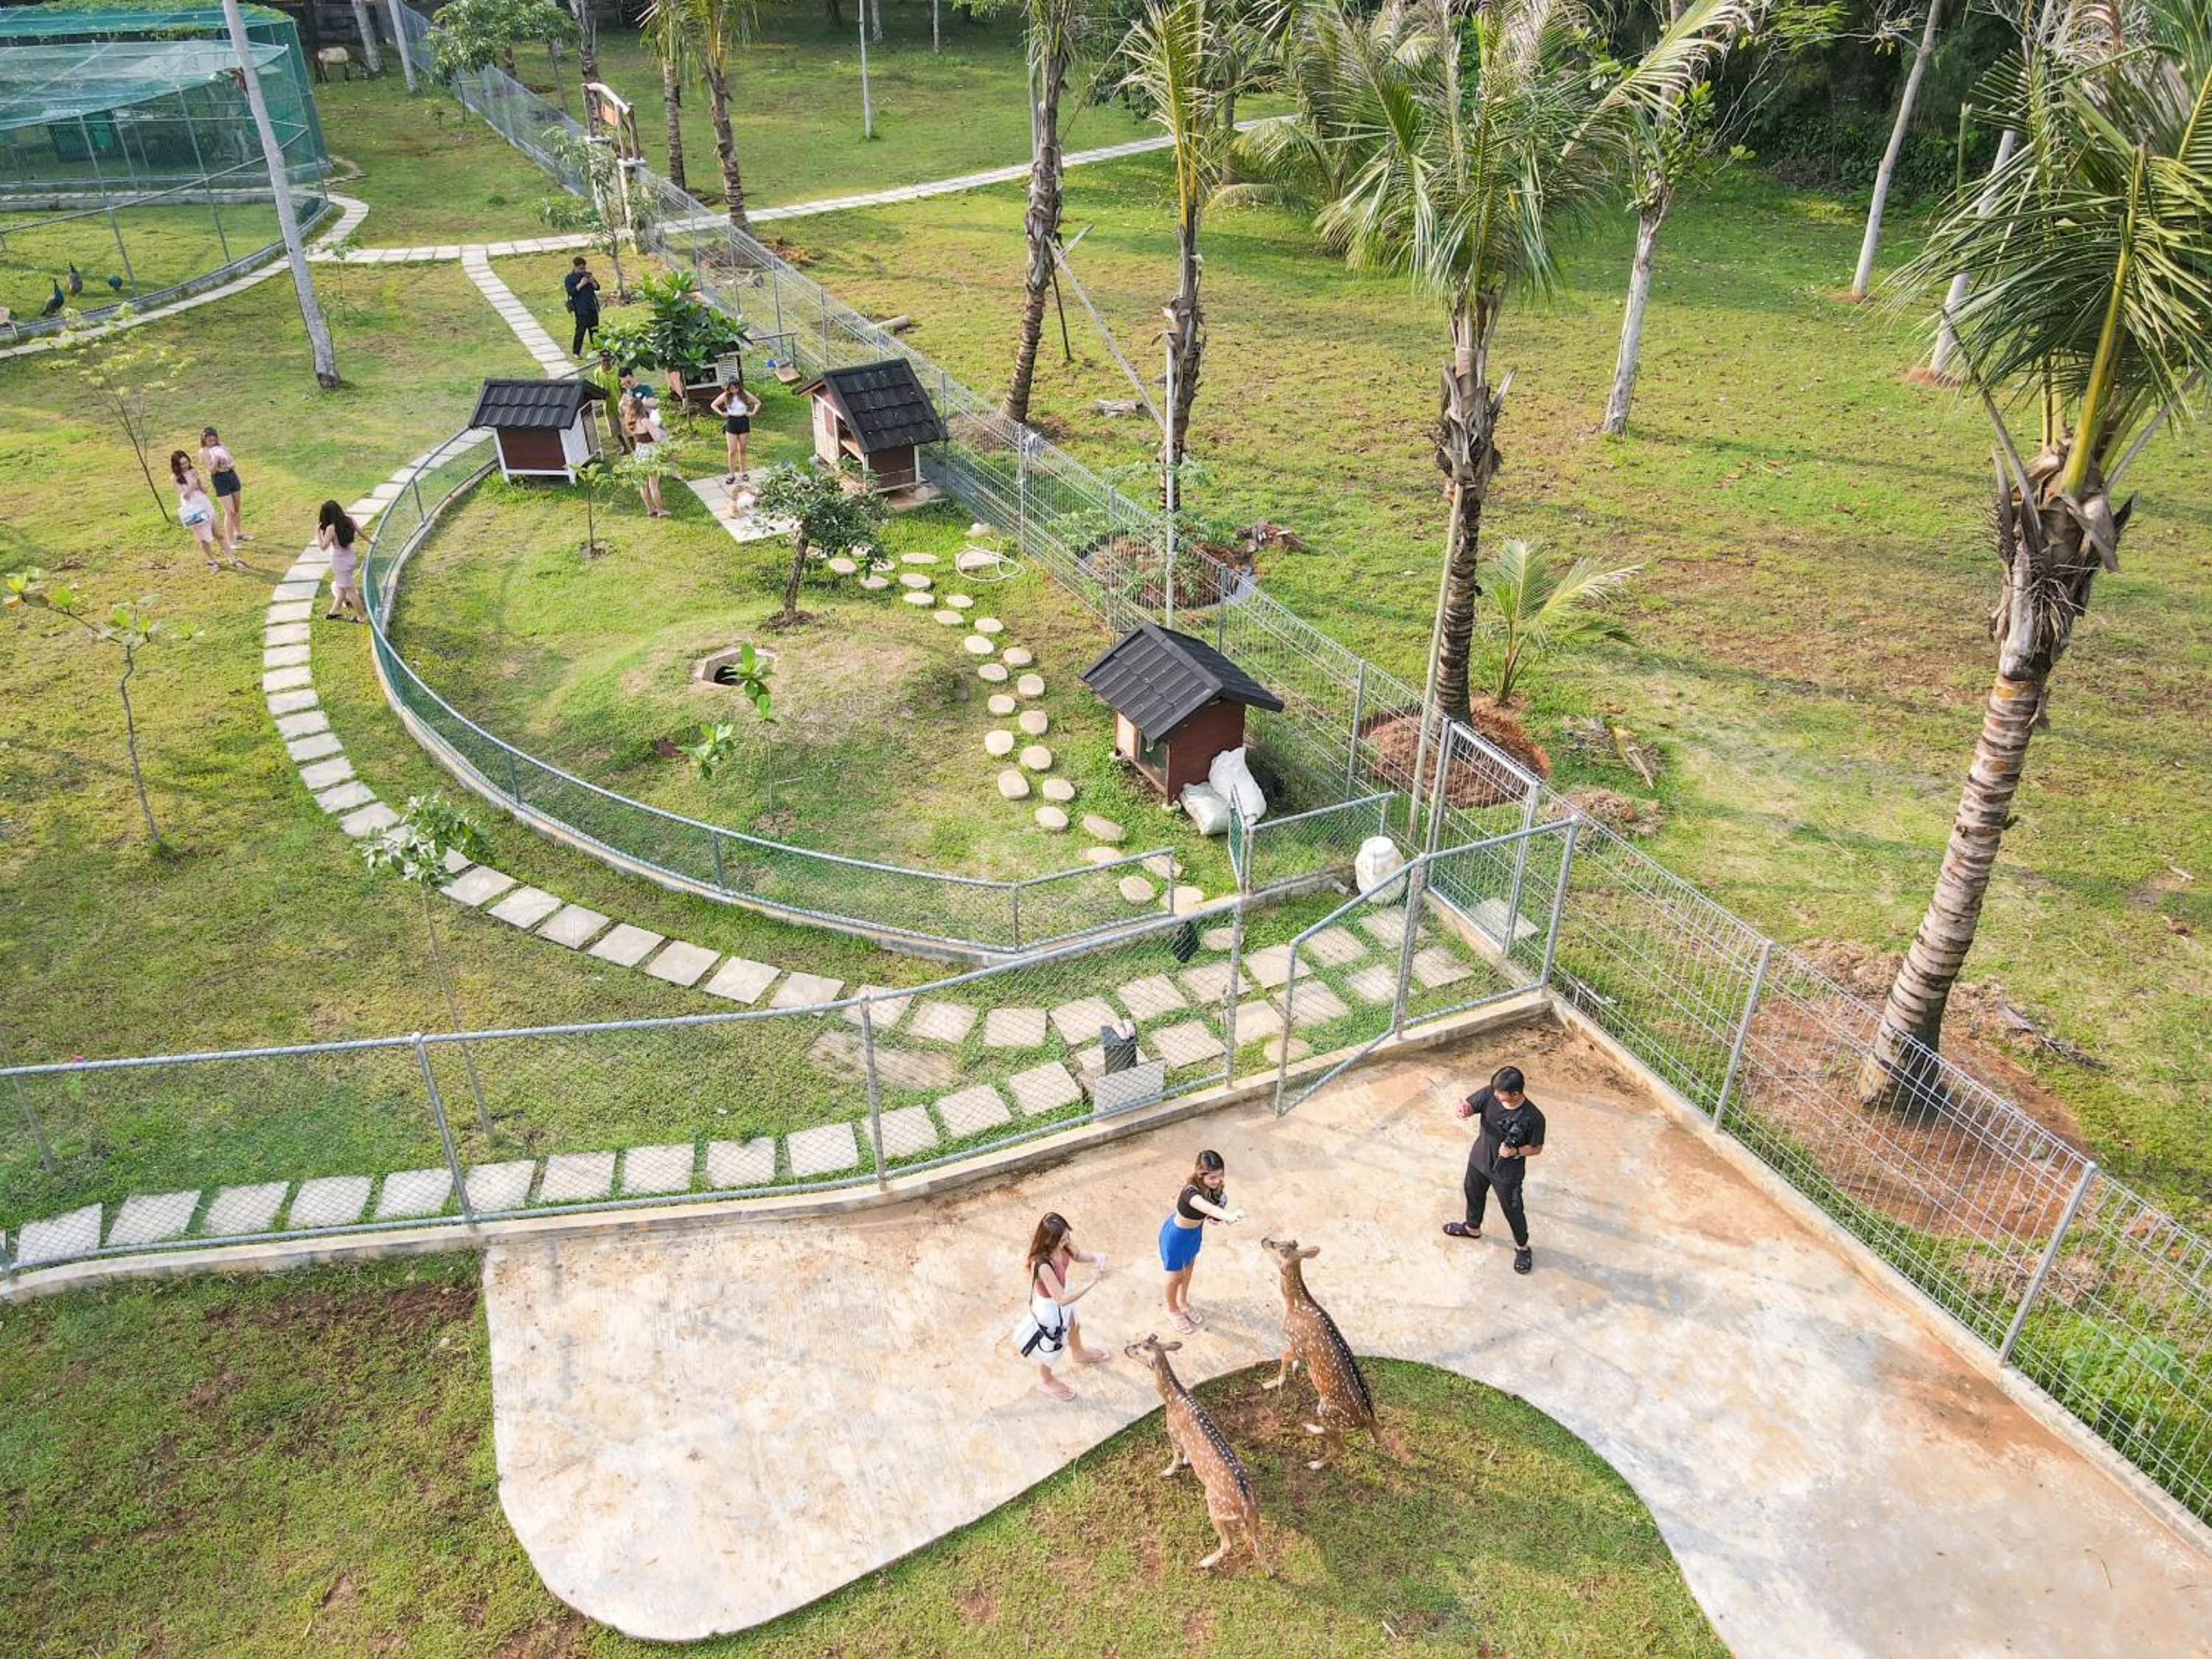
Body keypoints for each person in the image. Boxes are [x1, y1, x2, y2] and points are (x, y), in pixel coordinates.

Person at [1443, 1064, 1547, 1274]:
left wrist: (1516, 1151)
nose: (1495, 1094)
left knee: (1513, 1209)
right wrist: (1465, 1111)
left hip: (1507, 1174)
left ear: (1516, 1094)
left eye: (1500, 1093)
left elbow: (1537, 1149)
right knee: (1472, 1193)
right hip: (1479, 1160)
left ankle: (1522, 1247)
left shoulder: (1534, 1118)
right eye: (1495, 1090)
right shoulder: (1491, 1093)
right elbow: (1472, 1106)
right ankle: (1472, 1228)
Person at [1011, 1212, 1109, 1401]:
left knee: (1074, 1324)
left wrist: (1098, 1257)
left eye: (1067, 1236)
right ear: (1049, 1240)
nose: (1067, 1242)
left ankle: (1078, 1352)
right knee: (1053, 1347)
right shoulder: (1042, 1265)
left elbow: (1078, 1255)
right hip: (1051, 1308)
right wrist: (1091, 1283)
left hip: (1064, 1295)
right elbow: (1061, 1299)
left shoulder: (1062, 1244)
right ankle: (1046, 1380)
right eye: (1063, 1239)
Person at [1158, 1149, 1245, 1334]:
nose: (1218, 1181)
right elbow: (1207, 1208)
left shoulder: (1214, 1190)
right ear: (1199, 1173)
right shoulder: (1190, 1192)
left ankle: (1183, 1302)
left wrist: (1220, 1217)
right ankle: (1171, 1309)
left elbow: (1211, 1218)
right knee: (1175, 1277)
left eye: (1220, 1176)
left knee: (1188, 1269)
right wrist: (1228, 1216)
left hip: (1194, 1233)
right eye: (1213, 1177)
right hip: (1177, 1236)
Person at [170, 451, 237, 571]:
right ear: (176, 465)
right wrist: (192, 483)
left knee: (218, 533)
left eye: (186, 462)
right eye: (182, 464)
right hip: (193, 508)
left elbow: (205, 490)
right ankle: (212, 560)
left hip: (204, 503)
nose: (185, 466)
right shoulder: (175, 478)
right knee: (203, 537)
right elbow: (185, 496)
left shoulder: (193, 471)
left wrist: (200, 483)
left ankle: (231, 557)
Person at [198, 426, 248, 552]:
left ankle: (239, 533)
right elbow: (212, 471)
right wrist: (215, 459)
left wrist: (230, 462)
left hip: (231, 475)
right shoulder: (203, 452)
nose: (212, 443)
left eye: (214, 440)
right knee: (230, 512)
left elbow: (231, 461)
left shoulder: (222, 446)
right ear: (204, 440)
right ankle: (230, 540)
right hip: (220, 479)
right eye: (209, 440)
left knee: (236, 508)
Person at [317, 500, 366, 622]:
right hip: (350, 559)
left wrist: (317, 533)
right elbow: (361, 533)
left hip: (340, 563)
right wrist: (371, 541)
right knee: (341, 587)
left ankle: (362, 617)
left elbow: (323, 547)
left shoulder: (331, 528)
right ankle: (334, 612)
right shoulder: (349, 520)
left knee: (350, 590)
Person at [625, 383, 669, 518]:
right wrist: (659, 432)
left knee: (643, 485)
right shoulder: (644, 421)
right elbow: (656, 438)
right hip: (651, 453)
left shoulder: (631, 421)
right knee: (653, 485)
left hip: (640, 453)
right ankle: (660, 510)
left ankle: (650, 509)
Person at [709, 374, 760, 484]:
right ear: (728, 388)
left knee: (742, 449)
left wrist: (753, 413)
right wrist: (721, 413)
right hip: (732, 422)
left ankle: (743, 472)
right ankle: (731, 474)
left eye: (735, 388)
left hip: (743, 422)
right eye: (731, 389)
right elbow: (713, 405)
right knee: (732, 451)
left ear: (739, 387)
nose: (734, 391)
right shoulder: (725, 396)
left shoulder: (744, 394)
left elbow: (757, 402)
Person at [563, 257, 601, 358]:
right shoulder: (570, 278)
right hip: (581, 309)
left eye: (584, 268)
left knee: (595, 331)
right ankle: (576, 352)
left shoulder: (588, 275)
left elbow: (597, 288)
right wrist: (581, 284)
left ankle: (596, 350)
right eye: (580, 269)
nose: (583, 271)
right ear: (575, 267)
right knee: (580, 331)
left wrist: (592, 281)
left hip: (591, 307)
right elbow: (571, 292)